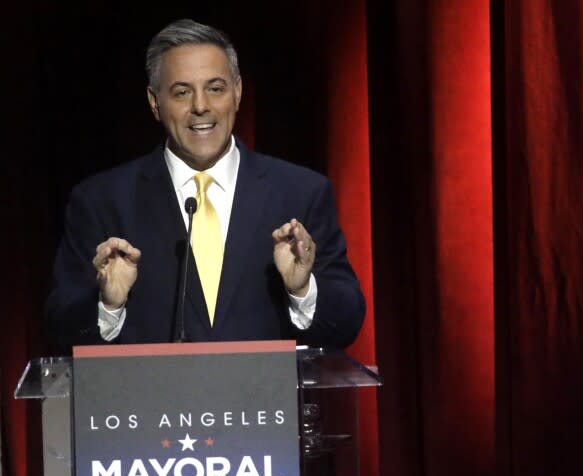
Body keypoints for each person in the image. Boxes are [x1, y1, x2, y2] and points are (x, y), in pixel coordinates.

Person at [45, 18, 365, 352]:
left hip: (265, 402)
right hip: (151, 403)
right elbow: (61, 325)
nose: (201, 106)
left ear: (238, 92)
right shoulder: (102, 201)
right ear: (155, 103)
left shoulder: (301, 193)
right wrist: (108, 305)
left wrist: (302, 290)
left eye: (215, 88)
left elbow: (345, 323)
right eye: (182, 92)